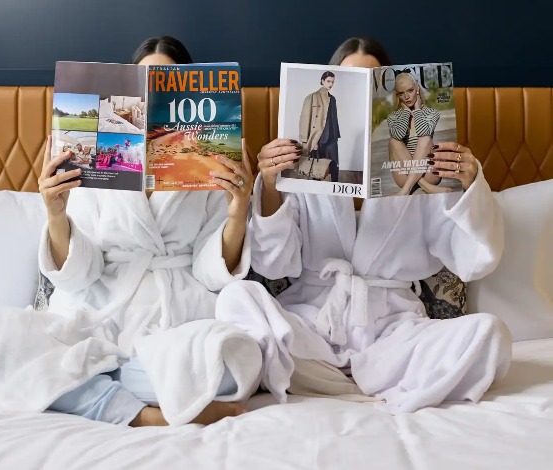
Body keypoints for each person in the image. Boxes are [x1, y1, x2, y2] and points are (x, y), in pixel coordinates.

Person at [0, 36, 256, 428]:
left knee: (234, 359)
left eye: (168, 81)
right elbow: (80, 273)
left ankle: (97, 384)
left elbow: (211, 273)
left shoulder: (209, 167)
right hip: (103, 305)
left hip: (173, 316)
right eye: (146, 82)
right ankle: (143, 409)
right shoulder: (93, 162)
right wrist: (56, 215)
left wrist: (238, 212)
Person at [216, 37, 512, 413]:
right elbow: (274, 264)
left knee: (490, 334)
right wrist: (272, 183)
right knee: (235, 300)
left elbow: (473, 261)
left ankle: (331, 381)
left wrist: (469, 185)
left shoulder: (426, 162)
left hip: (394, 330)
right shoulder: (308, 164)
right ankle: (361, 384)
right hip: (312, 323)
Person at [387, 71, 447, 195]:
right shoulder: (393, 117)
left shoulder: (432, 113)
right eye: (401, 93)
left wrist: (417, 110)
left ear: (417, 89)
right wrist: (406, 112)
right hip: (404, 175)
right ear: (397, 95)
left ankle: (408, 189)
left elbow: (423, 131)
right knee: (393, 141)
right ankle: (425, 187)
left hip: (429, 173)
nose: (407, 97)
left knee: (425, 139)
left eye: (410, 90)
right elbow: (398, 134)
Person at [298, 71, 341, 182]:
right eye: (328, 81)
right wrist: (306, 140)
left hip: (331, 137)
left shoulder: (333, 99)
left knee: (334, 163)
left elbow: (334, 119)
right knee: (316, 165)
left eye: (332, 82)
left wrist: (336, 135)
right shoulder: (311, 98)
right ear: (322, 81)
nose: (330, 84)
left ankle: (335, 186)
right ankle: (316, 189)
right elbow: (304, 119)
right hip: (318, 137)